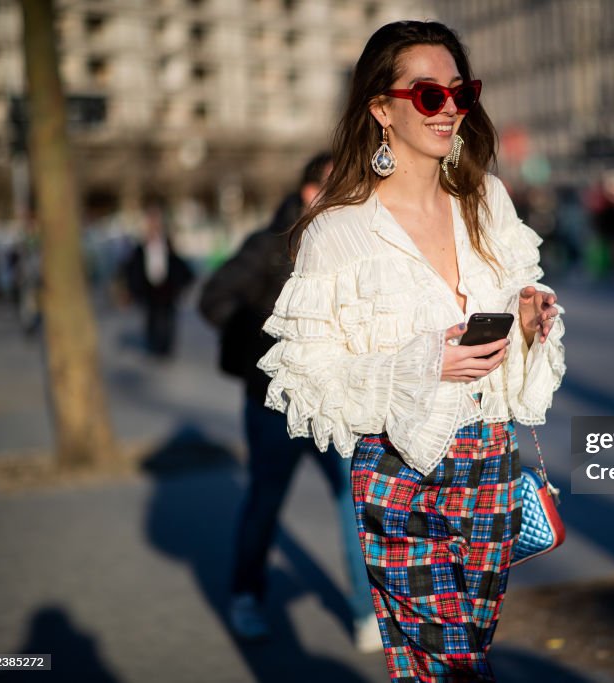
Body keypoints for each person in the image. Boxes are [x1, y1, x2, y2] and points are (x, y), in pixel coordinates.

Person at [257, 21, 565, 681]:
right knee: (450, 664)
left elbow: (514, 331)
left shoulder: (486, 201)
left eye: (461, 91)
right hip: (401, 471)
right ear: (381, 109)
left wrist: (532, 322)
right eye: (428, 94)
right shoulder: (338, 234)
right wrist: (424, 364)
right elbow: (307, 381)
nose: (450, 106)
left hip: (492, 463)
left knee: (458, 653)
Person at [198, 153, 381, 651]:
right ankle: (246, 597)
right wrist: (271, 350)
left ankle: (367, 612)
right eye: (338, 188)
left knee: (355, 497)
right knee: (265, 500)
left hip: (334, 404)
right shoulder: (269, 245)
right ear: (309, 193)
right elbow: (213, 299)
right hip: (272, 407)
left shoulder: (351, 247)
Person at [123, 204, 194, 357]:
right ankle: (155, 346)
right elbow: (132, 269)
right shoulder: (140, 248)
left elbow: (179, 265)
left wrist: (181, 284)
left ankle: (166, 348)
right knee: (152, 319)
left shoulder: (168, 244)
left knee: (168, 319)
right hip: (149, 290)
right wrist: (131, 289)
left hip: (167, 289)